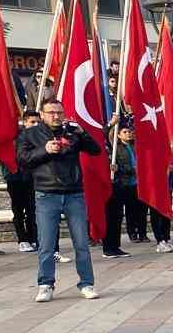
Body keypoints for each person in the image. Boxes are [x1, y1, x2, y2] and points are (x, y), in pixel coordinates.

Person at [19, 98, 101, 301]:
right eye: (51, 112)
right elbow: (22, 159)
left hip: (73, 192)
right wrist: (44, 150)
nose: (56, 116)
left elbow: (95, 150)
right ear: (42, 114)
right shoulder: (30, 134)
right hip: (46, 193)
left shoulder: (72, 132)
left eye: (59, 112)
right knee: (46, 244)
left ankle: (87, 283)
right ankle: (46, 284)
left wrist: (83, 132)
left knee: (81, 242)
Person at [101, 122, 139, 258]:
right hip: (107, 185)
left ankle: (115, 246)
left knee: (117, 217)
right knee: (109, 217)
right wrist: (111, 123)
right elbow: (102, 134)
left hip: (119, 185)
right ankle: (108, 247)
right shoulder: (108, 147)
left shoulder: (115, 148)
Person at [6, 109, 39, 253]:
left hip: (33, 177)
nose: (35, 124)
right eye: (32, 122)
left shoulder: (41, 136)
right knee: (19, 209)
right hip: (16, 177)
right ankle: (23, 239)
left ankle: (33, 237)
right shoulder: (16, 136)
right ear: (24, 122)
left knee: (33, 209)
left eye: (38, 122)